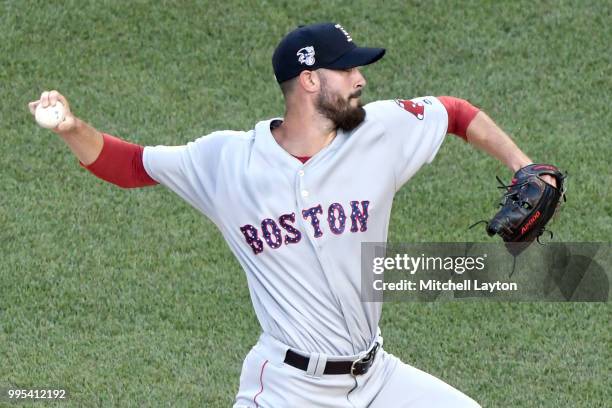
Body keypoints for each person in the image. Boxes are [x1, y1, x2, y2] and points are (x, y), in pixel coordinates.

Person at [29, 22, 556, 407]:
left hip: (375, 379)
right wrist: (71, 127)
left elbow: (455, 112)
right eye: (347, 68)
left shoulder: (378, 131)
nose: (361, 80)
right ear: (308, 80)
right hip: (288, 390)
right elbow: (130, 164)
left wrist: (522, 163)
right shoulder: (226, 161)